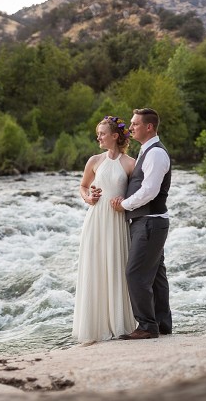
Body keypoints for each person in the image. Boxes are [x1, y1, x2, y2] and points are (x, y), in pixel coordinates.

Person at [72, 115, 137, 343]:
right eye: (98, 133)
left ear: (115, 136)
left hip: (117, 221)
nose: (98, 136)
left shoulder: (130, 163)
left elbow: (138, 194)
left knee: (116, 267)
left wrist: (125, 201)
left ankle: (118, 324)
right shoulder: (94, 160)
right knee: (95, 267)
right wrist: (88, 197)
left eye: (101, 133)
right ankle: (94, 327)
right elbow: (82, 186)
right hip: (95, 220)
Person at [111, 108, 172, 340]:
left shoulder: (155, 154)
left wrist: (124, 205)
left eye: (135, 124)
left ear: (149, 127)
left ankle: (147, 326)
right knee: (156, 276)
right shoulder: (148, 151)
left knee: (135, 274)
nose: (131, 128)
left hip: (149, 222)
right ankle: (162, 324)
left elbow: (149, 191)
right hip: (150, 222)